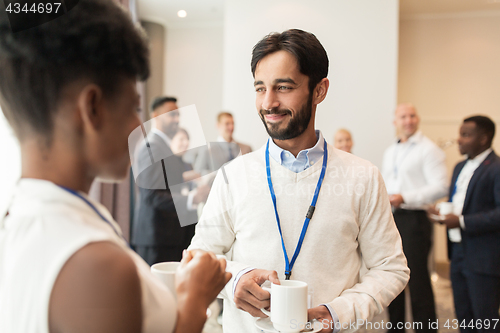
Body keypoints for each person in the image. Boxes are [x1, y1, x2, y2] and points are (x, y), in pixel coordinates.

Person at [0, 1, 230, 333]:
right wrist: (195, 300)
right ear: (92, 107)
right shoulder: (95, 264)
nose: (138, 126)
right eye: (134, 107)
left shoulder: (21, 217)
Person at [188, 28, 409, 333]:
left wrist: (339, 312)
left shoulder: (363, 176)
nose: (269, 103)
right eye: (260, 88)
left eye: (283, 87)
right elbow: (200, 255)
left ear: (319, 90)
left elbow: (391, 267)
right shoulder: (234, 174)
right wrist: (235, 280)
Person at [428, 116, 500, 333]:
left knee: (485, 319)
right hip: (457, 252)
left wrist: (460, 221)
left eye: (465, 135)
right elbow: (461, 202)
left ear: (484, 138)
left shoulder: (496, 168)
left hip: (482, 257)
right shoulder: (459, 166)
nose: (458, 140)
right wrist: (443, 211)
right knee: (464, 316)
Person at [381, 103, 448, 332]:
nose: (408, 120)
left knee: (417, 280)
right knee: (392, 277)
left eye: (412, 116)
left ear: (417, 119)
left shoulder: (428, 149)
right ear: (395, 122)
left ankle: (426, 329)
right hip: (392, 219)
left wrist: (405, 197)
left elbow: (441, 187)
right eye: (403, 116)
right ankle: (395, 328)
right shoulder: (391, 151)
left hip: (415, 220)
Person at [132, 97, 210, 265]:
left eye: (177, 115)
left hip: (171, 236)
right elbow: (153, 196)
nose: (176, 119)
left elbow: (168, 182)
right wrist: (192, 198)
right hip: (157, 237)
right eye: (171, 114)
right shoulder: (151, 147)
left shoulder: (165, 147)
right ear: (155, 116)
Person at [193, 111, 252, 176]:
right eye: (227, 124)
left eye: (232, 123)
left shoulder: (246, 149)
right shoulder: (207, 150)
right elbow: (198, 174)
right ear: (218, 125)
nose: (231, 127)